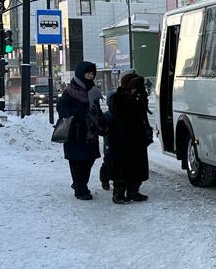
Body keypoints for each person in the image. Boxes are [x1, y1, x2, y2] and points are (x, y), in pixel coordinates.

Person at [57, 61, 107, 200]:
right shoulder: (70, 91)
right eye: (88, 73)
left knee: (88, 160)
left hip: (90, 132)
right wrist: (76, 114)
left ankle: (80, 184)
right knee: (77, 161)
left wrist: (102, 123)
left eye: (92, 73)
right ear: (81, 73)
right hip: (75, 132)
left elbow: (97, 110)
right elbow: (61, 108)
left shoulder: (93, 90)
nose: (90, 76)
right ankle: (80, 188)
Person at [108, 71, 152, 204]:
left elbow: (142, 117)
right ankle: (119, 193)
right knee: (122, 166)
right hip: (121, 138)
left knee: (137, 165)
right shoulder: (119, 98)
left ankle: (134, 191)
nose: (135, 90)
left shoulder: (139, 97)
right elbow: (118, 115)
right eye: (134, 88)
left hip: (137, 137)